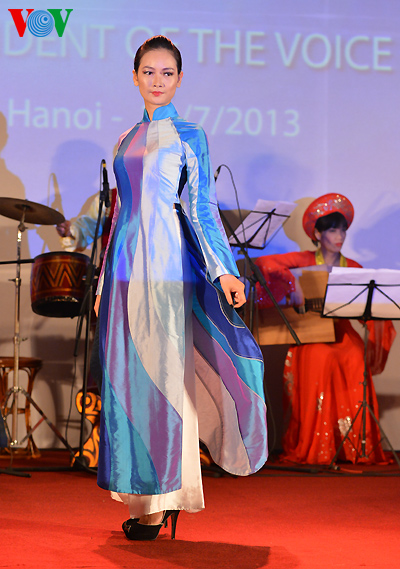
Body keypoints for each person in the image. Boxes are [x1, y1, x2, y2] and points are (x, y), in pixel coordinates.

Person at [94, 35, 268, 541]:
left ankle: (167, 497)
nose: (157, 80)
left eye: (167, 73)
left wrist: (224, 270)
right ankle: (143, 497)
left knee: (166, 378)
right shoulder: (124, 138)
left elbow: (200, 207)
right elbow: (119, 215)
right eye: (148, 72)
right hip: (124, 266)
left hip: (167, 264)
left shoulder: (191, 134)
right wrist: (103, 280)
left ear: (179, 79)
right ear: (135, 77)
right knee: (128, 381)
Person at [255, 193, 396, 465]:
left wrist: (371, 314)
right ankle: (317, 447)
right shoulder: (303, 259)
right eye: (332, 230)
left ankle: (352, 447)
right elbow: (264, 263)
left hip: (343, 333)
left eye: (342, 230)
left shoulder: (352, 266)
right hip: (311, 335)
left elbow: (367, 306)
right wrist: (293, 282)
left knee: (355, 356)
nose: (339, 236)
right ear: (318, 234)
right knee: (319, 358)